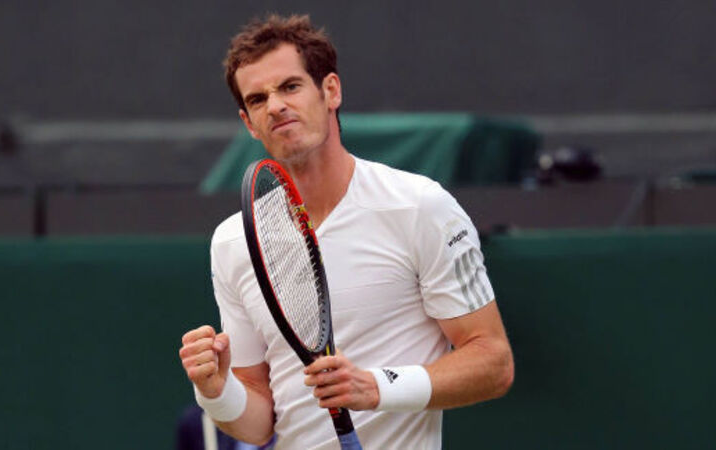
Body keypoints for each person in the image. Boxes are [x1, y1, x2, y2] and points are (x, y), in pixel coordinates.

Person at [179, 14, 514, 450]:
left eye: (290, 87)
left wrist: (377, 387)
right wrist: (216, 392)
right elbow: (259, 426)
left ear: (331, 91)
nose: (275, 106)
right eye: (258, 99)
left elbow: (493, 363)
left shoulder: (420, 206)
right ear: (249, 123)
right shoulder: (233, 241)